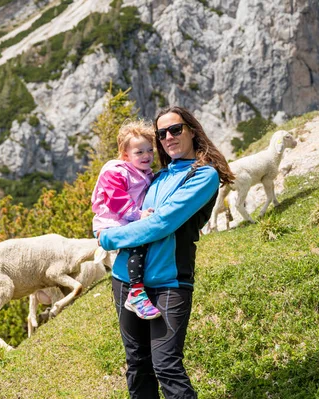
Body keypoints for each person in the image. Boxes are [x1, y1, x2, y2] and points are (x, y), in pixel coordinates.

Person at [98, 106, 235, 399]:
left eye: (175, 129)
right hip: (125, 280)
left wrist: (108, 239)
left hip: (169, 283)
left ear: (192, 131)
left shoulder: (203, 175)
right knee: (138, 365)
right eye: (162, 134)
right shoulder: (155, 176)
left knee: (166, 366)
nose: (168, 137)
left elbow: (161, 224)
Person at [91, 120, 162, 320]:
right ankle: (136, 293)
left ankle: (138, 288)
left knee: (142, 245)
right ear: (125, 155)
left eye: (150, 150)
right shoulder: (116, 171)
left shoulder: (143, 173)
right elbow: (116, 200)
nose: (146, 156)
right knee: (138, 243)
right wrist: (139, 216)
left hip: (124, 221)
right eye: (139, 152)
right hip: (109, 223)